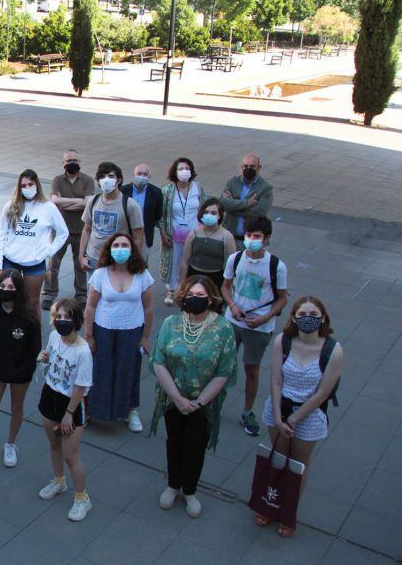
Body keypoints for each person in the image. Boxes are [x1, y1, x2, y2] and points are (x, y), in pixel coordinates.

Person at [149, 275, 237, 518]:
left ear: (211, 299)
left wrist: (198, 402)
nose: (194, 300)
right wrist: (177, 398)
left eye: (200, 296)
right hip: (171, 399)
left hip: (203, 405)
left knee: (195, 448)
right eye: (190, 295)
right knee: (174, 442)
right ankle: (172, 485)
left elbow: (224, 371)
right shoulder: (170, 324)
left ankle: (190, 491)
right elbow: (158, 361)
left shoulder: (223, 329)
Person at [255, 296, 343, 537]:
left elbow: (323, 392)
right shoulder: (282, 342)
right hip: (279, 410)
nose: (308, 319)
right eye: (302, 315)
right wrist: (277, 415)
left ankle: (287, 512)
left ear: (323, 318)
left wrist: (294, 419)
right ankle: (268, 503)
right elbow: (275, 380)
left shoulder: (332, 350)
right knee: (278, 458)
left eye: (313, 315)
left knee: (298, 466)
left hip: (309, 415)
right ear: (293, 318)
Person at [221, 217, 289, 437]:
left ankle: (247, 411)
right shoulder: (235, 258)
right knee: (223, 364)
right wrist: (232, 306)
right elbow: (225, 286)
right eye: (249, 235)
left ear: (266, 239)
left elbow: (282, 298)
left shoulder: (276, 266)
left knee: (252, 369)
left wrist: (265, 317)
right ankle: (214, 403)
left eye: (257, 236)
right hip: (233, 321)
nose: (251, 240)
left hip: (259, 327)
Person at [83, 232, 154, 432]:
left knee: (128, 370)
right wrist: (88, 335)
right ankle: (91, 410)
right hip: (103, 330)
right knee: (100, 371)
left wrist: (145, 337)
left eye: (125, 245)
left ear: (132, 250)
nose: (120, 249)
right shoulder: (100, 274)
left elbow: (148, 307)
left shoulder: (142, 274)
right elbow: (90, 306)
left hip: (132, 331)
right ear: (109, 249)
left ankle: (130, 411)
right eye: (116, 245)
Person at [0, 270, 40, 480]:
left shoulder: (29, 317)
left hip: (21, 373)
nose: (6, 291)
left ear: (19, 290)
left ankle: (11, 444)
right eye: (2, 287)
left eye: (11, 288)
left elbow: (34, 348)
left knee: (16, 408)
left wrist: (25, 369)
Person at [36, 298, 94, 522]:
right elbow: (49, 356)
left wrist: (69, 413)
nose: (61, 321)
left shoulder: (83, 351)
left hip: (70, 403)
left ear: (76, 321)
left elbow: (81, 385)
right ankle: (58, 482)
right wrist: (44, 358)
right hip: (50, 394)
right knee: (53, 443)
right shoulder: (53, 337)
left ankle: (82, 499)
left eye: (67, 317)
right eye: (58, 317)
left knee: (71, 456)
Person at [0, 169, 68, 319]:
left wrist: (49, 251)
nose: (27, 188)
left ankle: (34, 337)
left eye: (30, 184)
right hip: (10, 260)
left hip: (34, 263)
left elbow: (63, 233)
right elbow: (0, 235)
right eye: (23, 185)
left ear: (37, 185)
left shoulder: (48, 207)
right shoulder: (10, 206)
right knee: (7, 299)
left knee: (32, 302)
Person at [45, 150, 95, 307]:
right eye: (68, 160)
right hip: (60, 230)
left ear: (80, 162)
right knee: (53, 263)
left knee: (80, 264)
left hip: (81, 230)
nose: (71, 162)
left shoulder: (88, 180)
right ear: (63, 163)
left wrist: (63, 202)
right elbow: (54, 201)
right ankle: (49, 293)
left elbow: (87, 202)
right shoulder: (57, 180)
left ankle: (81, 295)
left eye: (74, 159)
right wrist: (77, 201)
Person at [80, 162, 145, 271]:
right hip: (93, 260)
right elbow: (86, 229)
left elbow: (138, 237)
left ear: (118, 180)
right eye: (102, 176)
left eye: (110, 176)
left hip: (118, 261)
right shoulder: (93, 201)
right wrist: (81, 256)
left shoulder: (130, 205)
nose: (106, 179)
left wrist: (133, 261)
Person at [157, 158, 205, 307]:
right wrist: (164, 235)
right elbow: (162, 215)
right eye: (180, 169)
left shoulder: (197, 187)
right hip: (174, 234)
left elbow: (202, 208)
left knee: (190, 261)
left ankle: (188, 289)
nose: (184, 171)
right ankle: (172, 290)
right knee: (173, 261)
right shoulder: (167, 191)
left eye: (187, 168)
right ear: (174, 172)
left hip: (193, 233)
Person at [179, 199, 236, 291]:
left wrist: (227, 287)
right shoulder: (193, 233)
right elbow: (185, 261)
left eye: (213, 213)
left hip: (216, 279)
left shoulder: (227, 236)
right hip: (193, 276)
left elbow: (231, 266)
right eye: (206, 212)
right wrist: (181, 285)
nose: (209, 215)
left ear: (219, 216)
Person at [219, 152, 274, 246]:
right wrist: (247, 203)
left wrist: (232, 207)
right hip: (229, 237)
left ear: (259, 168)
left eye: (252, 166)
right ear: (241, 167)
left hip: (252, 241)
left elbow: (259, 212)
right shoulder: (232, 182)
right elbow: (222, 204)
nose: (248, 169)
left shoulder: (266, 188)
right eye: (245, 166)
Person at [120, 163, 164, 259]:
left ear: (149, 176)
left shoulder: (156, 193)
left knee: (141, 264)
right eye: (139, 173)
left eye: (145, 174)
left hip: (144, 235)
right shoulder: (123, 191)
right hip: (125, 232)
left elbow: (158, 215)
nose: (142, 176)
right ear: (134, 174)